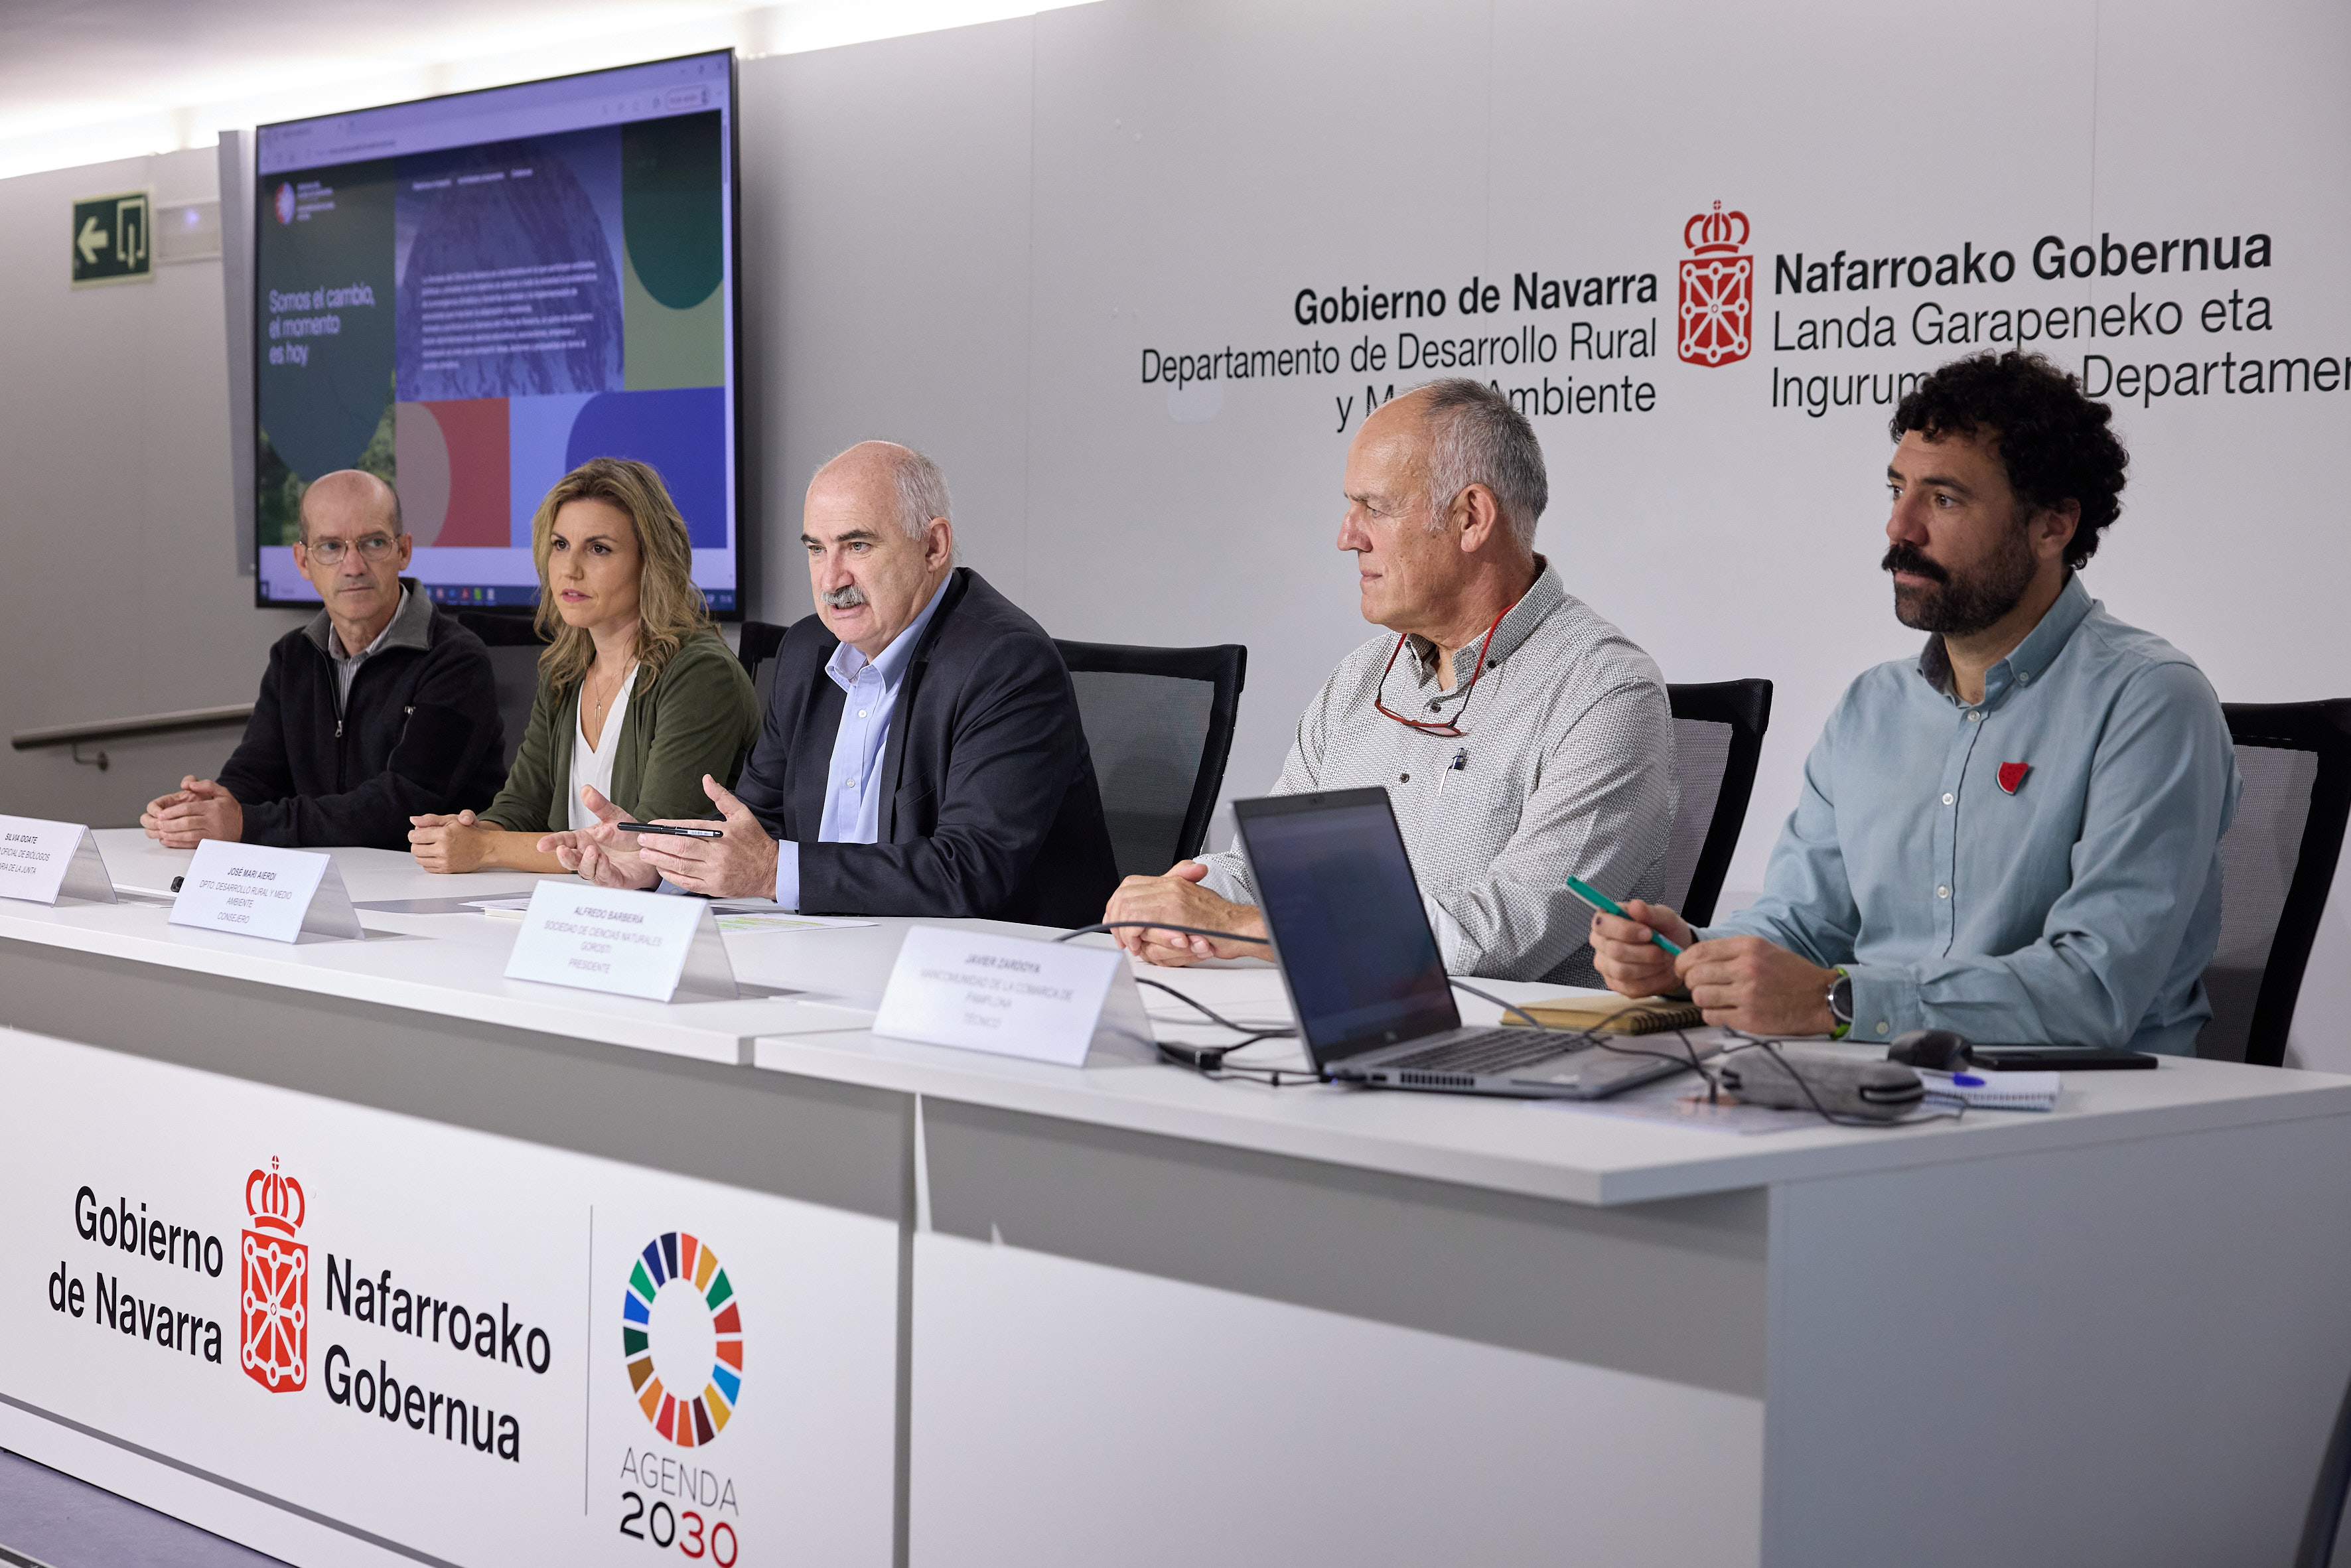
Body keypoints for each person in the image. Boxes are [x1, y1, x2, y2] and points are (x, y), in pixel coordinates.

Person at [1591, 350, 2240, 1055]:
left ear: (2053, 525)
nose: (1901, 528)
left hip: (2095, 1113)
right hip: (1885, 1084)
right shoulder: (1873, 708)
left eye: (1945, 498)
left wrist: (1839, 1000)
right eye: (1897, 489)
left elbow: (2094, 988)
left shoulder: (2151, 701)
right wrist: (1689, 954)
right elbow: (1803, 927)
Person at [1105, 378, 1679, 985]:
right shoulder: (1359, 680)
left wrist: (1238, 925)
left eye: (1373, 507)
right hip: (1349, 1027)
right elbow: (1258, 874)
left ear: (1469, 518)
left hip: (1521, 1053)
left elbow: (1495, 943)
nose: (1346, 535)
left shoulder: (1607, 692)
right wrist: (1180, 901)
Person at [550, 441, 1119, 925]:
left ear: (933, 546)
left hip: (991, 985)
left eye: (858, 545)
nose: (831, 578)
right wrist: (660, 862)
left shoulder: (1005, 663)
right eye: (816, 550)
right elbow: (756, 826)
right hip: (835, 955)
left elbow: (969, 870)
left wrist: (774, 873)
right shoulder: (807, 651)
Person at [407, 457, 759, 874]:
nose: (570, 569)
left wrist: (486, 848)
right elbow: (522, 807)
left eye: (598, 549)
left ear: (652, 562)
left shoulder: (699, 674)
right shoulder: (566, 671)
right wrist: (469, 832)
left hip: (677, 921)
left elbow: (651, 843)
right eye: (560, 545)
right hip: (576, 909)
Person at [139, 470, 504, 851]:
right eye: (330, 547)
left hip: (427, 887)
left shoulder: (457, 659)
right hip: (322, 875)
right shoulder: (293, 657)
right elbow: (256, 776)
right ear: (302, 561)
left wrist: (247, 823)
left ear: (404, 551)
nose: (353, 566)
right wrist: (201, 810)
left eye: (374, 542)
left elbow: (406, 804)